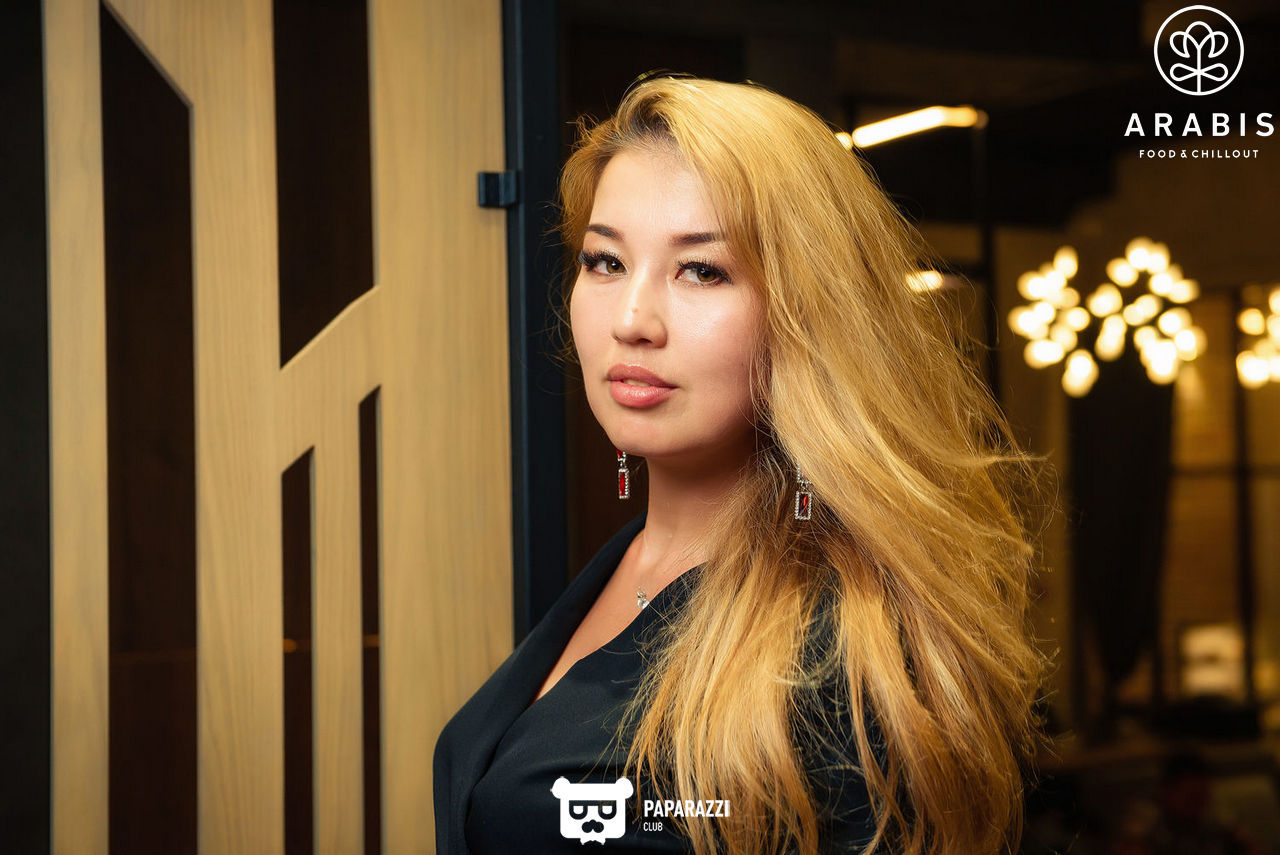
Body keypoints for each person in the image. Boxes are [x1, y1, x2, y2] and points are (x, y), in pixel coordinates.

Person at [434, 73, 1056, 855]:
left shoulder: (849, 646)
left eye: (702, 270)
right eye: (605, 261)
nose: (632, 319)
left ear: (809, 313)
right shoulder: (625, 566)